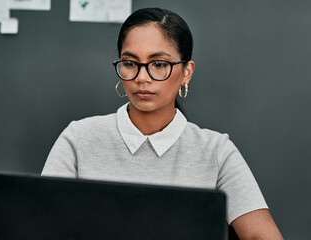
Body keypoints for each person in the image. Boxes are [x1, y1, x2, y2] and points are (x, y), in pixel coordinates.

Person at [42, 7, 283, 239]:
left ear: (186, 72)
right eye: (130, 63)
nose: (142, 77)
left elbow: (262, 235)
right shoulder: (78, 139)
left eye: (159, 64)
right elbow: (39, 226)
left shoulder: (215, 151)